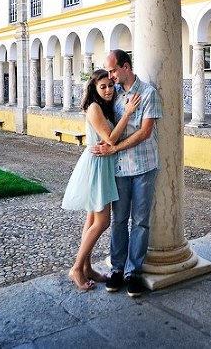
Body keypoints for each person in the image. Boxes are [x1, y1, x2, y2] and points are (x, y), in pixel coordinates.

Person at [61, 69, 141, 291]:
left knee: (91, 219)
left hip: (102, 164)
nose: (108, 90)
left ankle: (87, 268)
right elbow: (111, 138)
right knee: (103, 221)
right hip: (97, 165)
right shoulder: (94, 108)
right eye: (102, 86)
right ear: (94, 89)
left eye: (110, 85)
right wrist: (128, 113)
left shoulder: (102, 106)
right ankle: (76, 268)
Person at [92, 49, 162, 298]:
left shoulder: (148, 94)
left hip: (144, 166)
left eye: (112, 70)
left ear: (126, 67)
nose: (110, 76)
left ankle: (133, 272)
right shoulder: (114, 96)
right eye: (108, 72)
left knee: (141, 221)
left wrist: (113, 148)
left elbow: (144, 133)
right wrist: (102, 144)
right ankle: (117, 269)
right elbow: (104, 124)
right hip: (121, 168)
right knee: (119, 220)